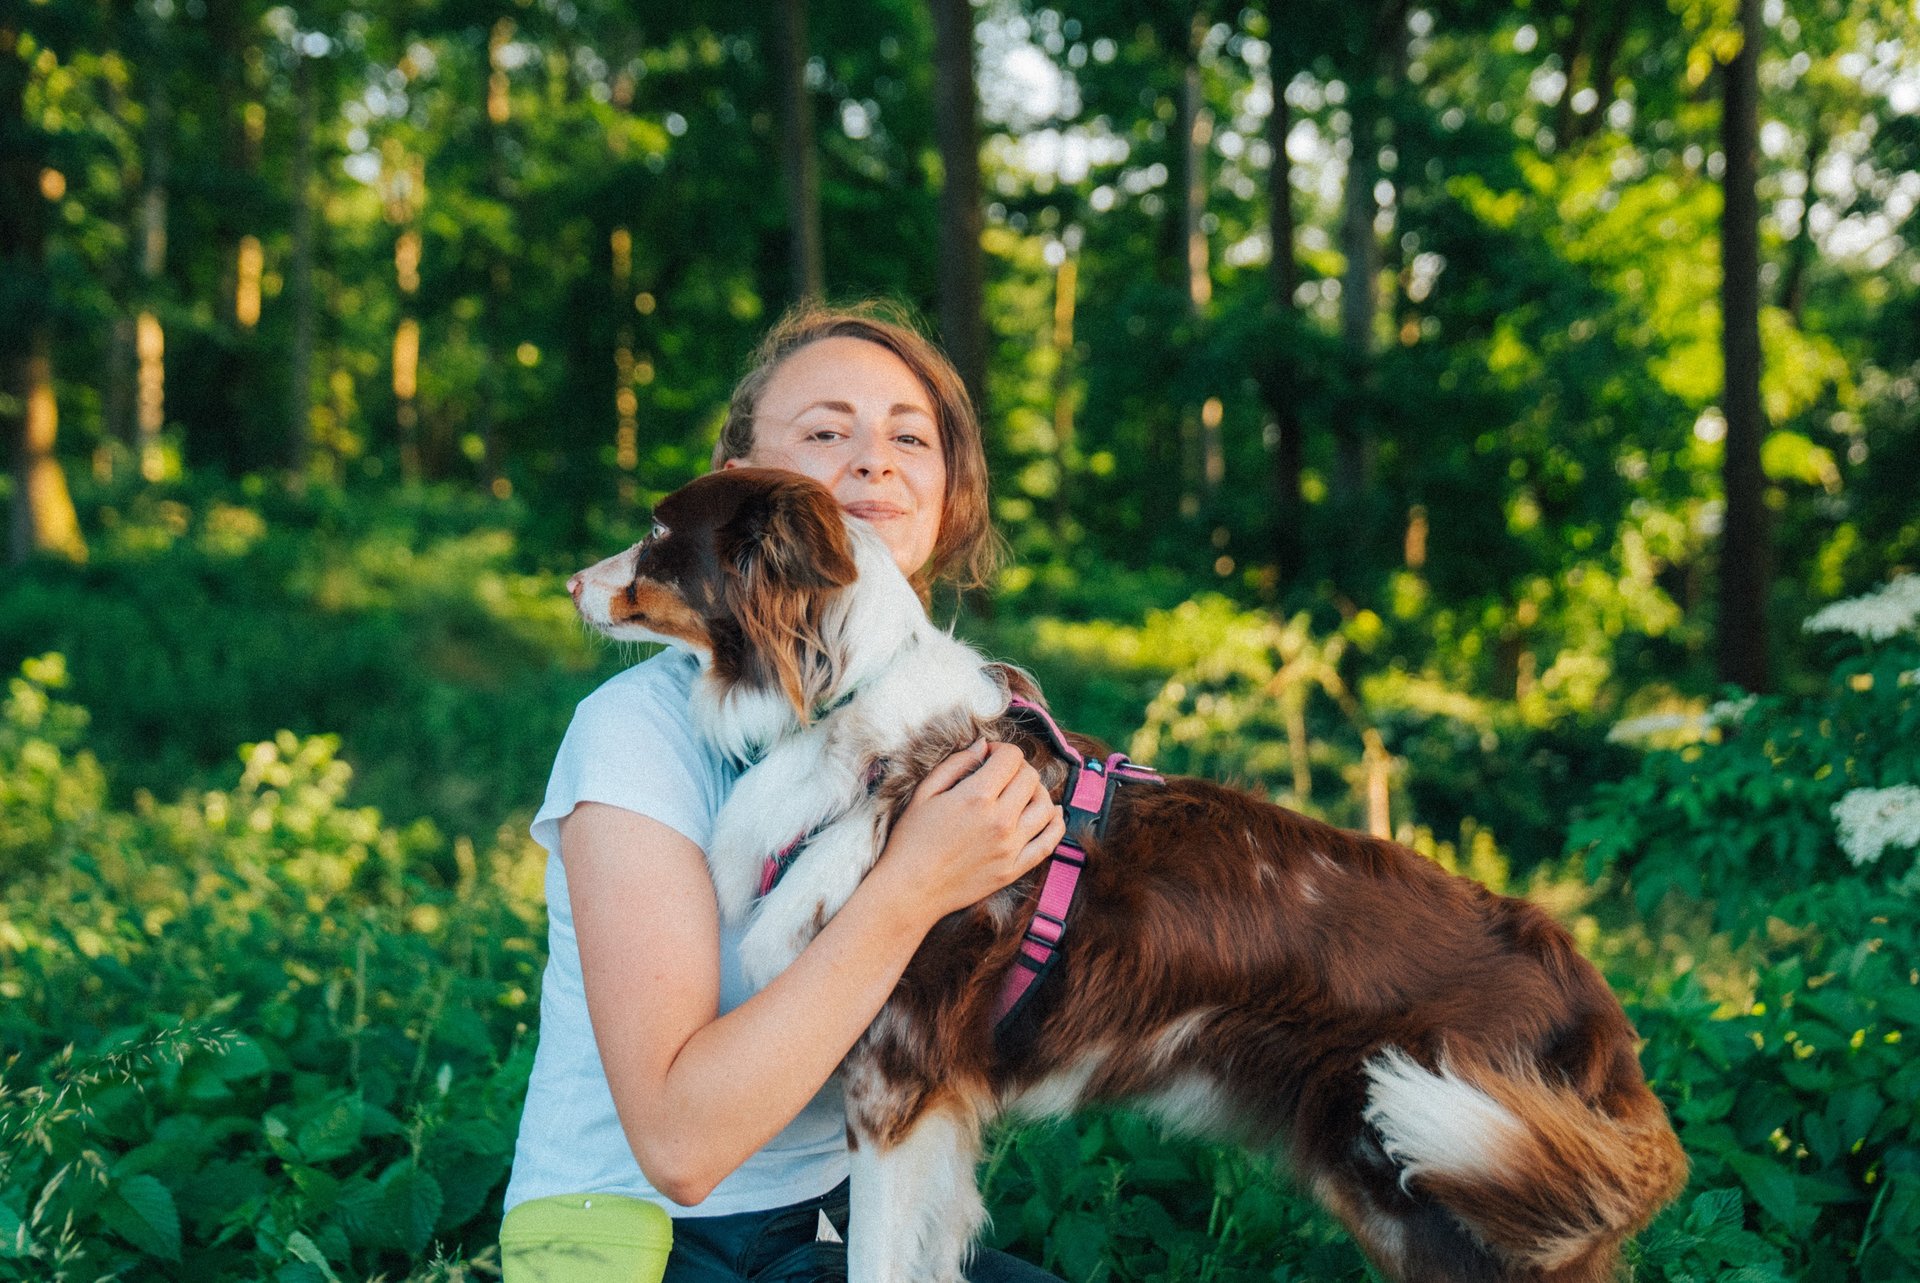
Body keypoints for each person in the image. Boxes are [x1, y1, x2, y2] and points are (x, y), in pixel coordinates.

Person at [500, 301, 1070, 1283]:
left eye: (909, 435)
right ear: (732, 492)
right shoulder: (636, 733)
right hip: (639, 1233)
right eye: (823, 431)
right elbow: (680, 1147)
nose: (873, 460)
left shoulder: (966, 722)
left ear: (951, 493)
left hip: (836, 1219)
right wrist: (913, 884)